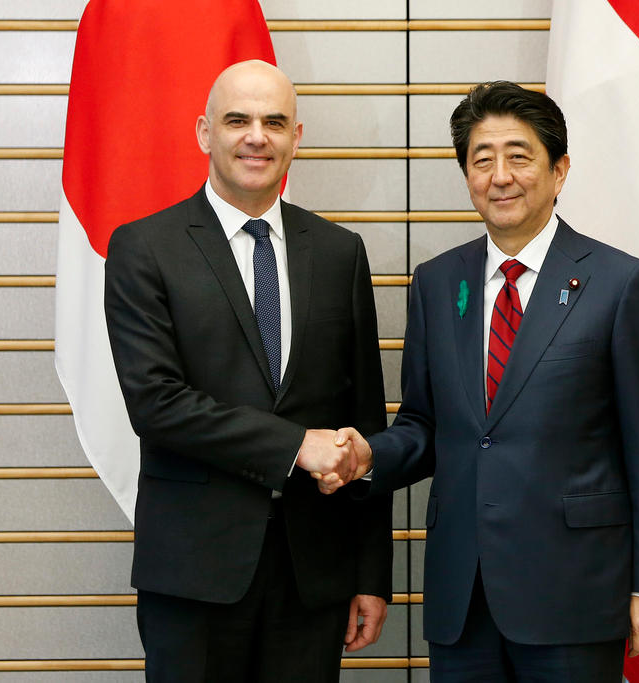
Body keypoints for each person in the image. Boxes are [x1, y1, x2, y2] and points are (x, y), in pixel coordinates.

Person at [330, 81, 639, 681]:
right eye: (481, 159)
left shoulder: (620, 285)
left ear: (559, 170)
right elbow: (423, 424)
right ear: (466, 174)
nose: (500, 175)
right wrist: (368, 457)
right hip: (462, 597)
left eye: (519, 156)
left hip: (574, 593)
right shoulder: (437, 283)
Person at [104, 60, 391, 682]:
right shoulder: (143, 248)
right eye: (238, 120)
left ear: (297, 137)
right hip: (193, 578)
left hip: (313, 578)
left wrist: (370, 575)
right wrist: (296, 447)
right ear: (205, 132)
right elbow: (156, 403)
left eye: (274, 122)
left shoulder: (341, 253)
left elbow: (365, 422)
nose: (256, 136)